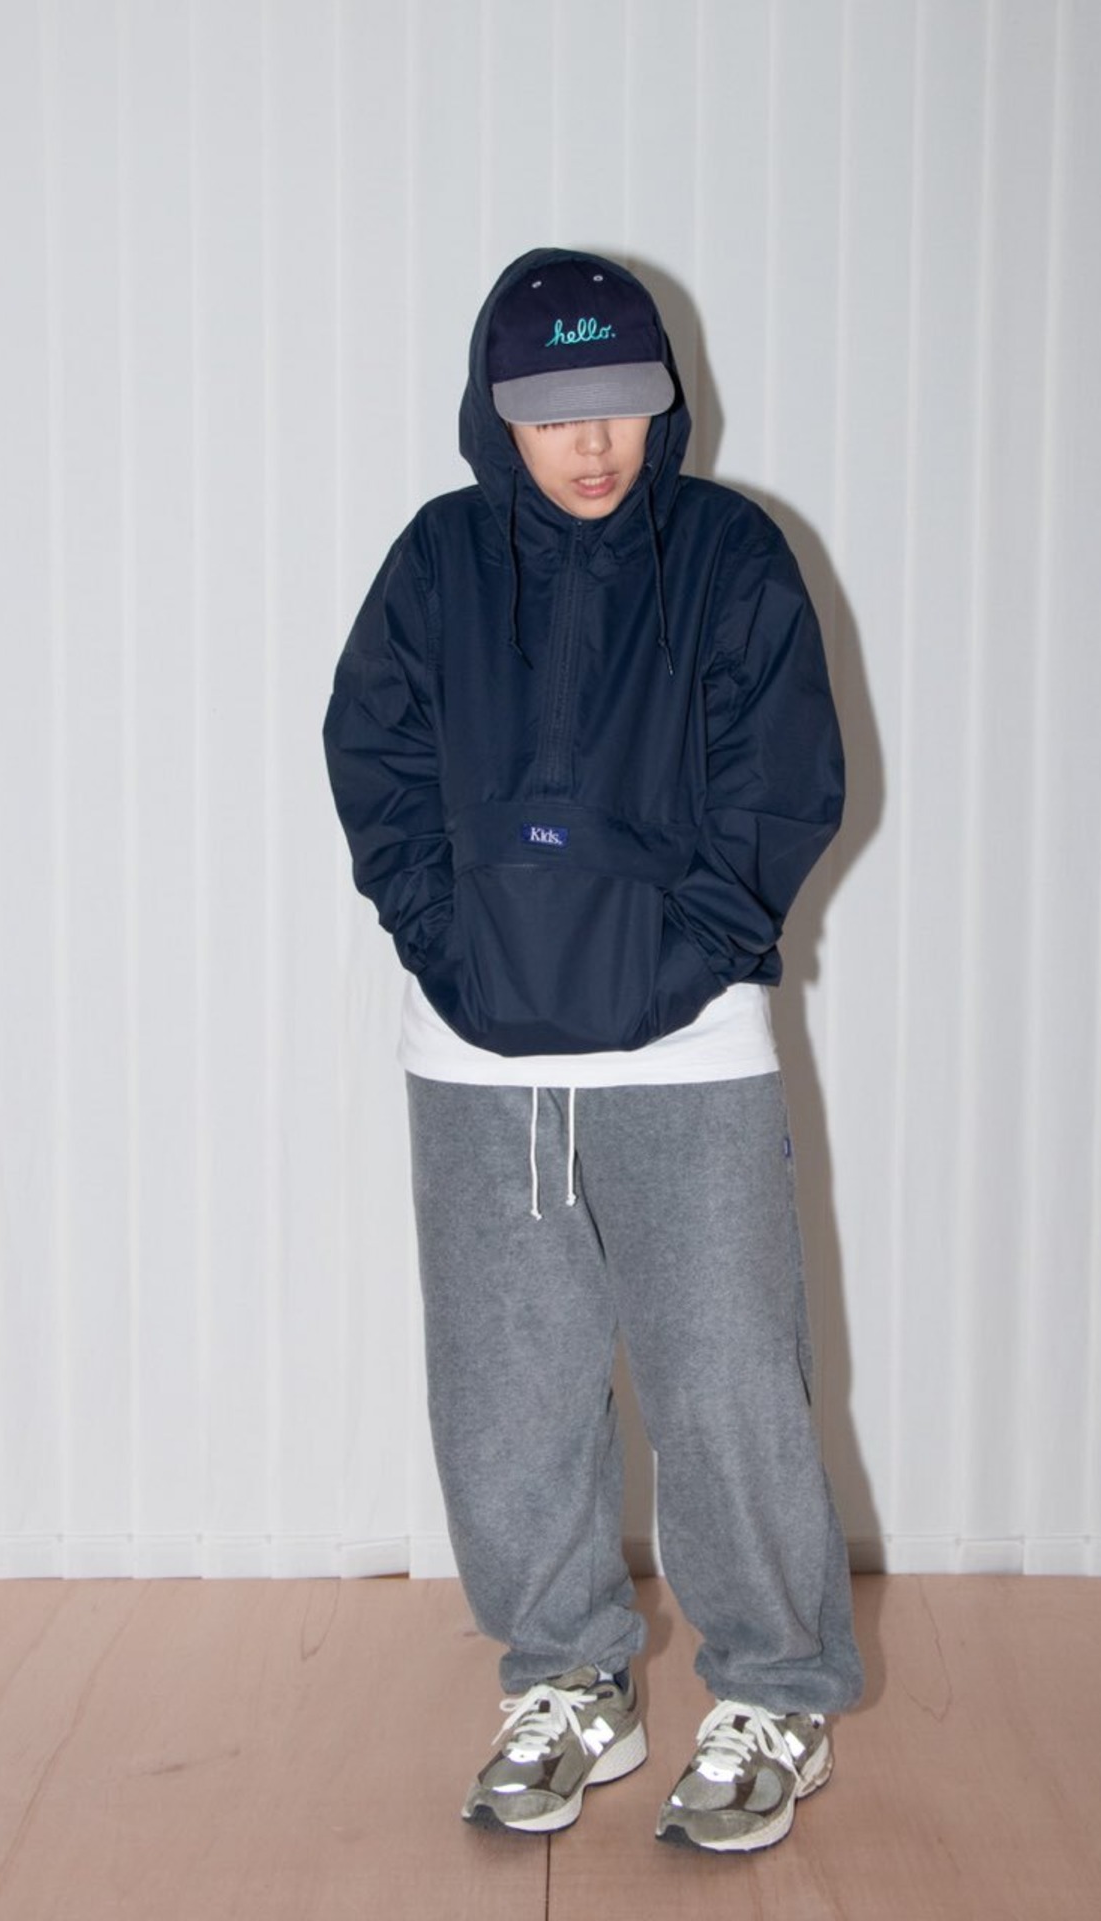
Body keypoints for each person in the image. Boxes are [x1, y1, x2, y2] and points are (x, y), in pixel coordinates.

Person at [323, 248, 863, 1854]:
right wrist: (449, 940)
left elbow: (783, 780)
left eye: (620, 399)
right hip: (476, 1058)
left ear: (663, 400)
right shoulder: (435, 561)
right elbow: (375, 758)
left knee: (731, 1382)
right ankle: (568, 1677)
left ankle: (774, 1692)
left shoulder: (730, 556)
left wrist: (682, 955)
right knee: (507, 1393)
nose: (592, 438)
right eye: (555, 407)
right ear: (496, 411)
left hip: (691, 1051)